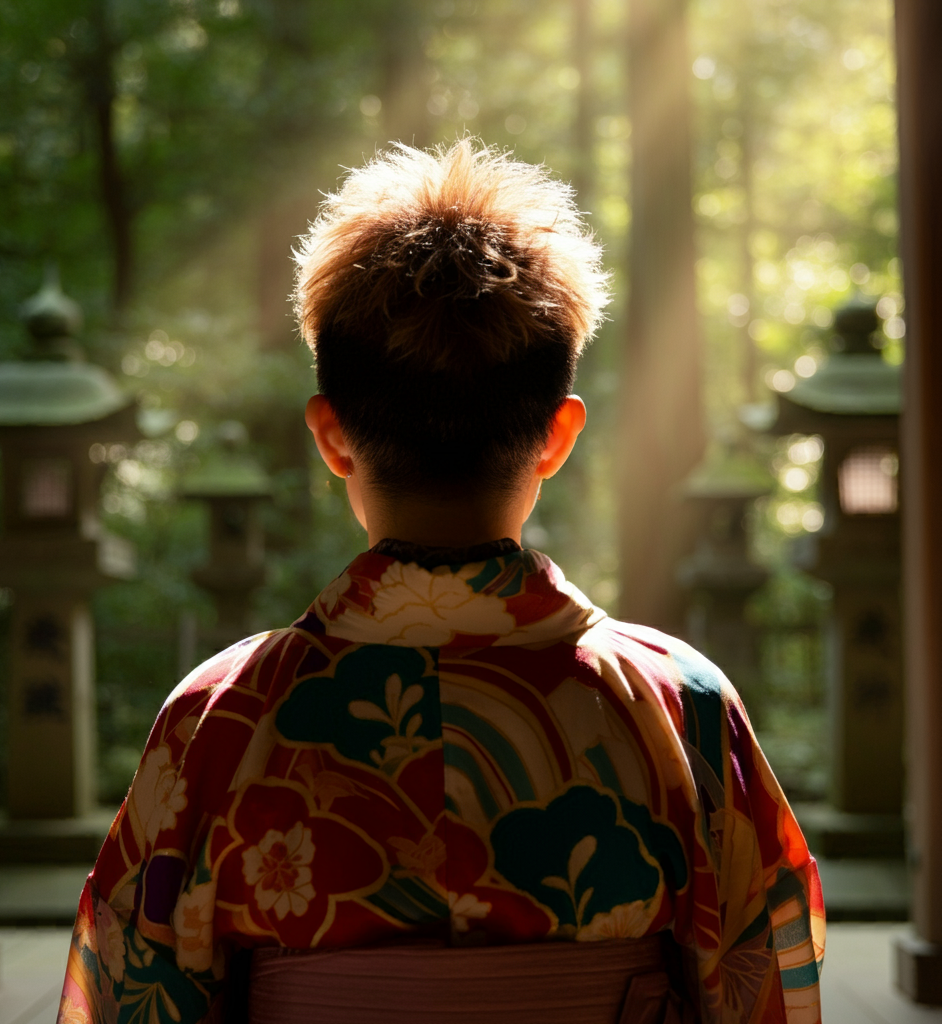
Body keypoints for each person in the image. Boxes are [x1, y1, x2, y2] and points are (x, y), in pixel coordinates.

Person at [58, 139, 824, 1024]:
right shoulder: (678, 704)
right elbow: (761, 985)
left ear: (331, 435)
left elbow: (134, 995)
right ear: (557, 435)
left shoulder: (221, 718)